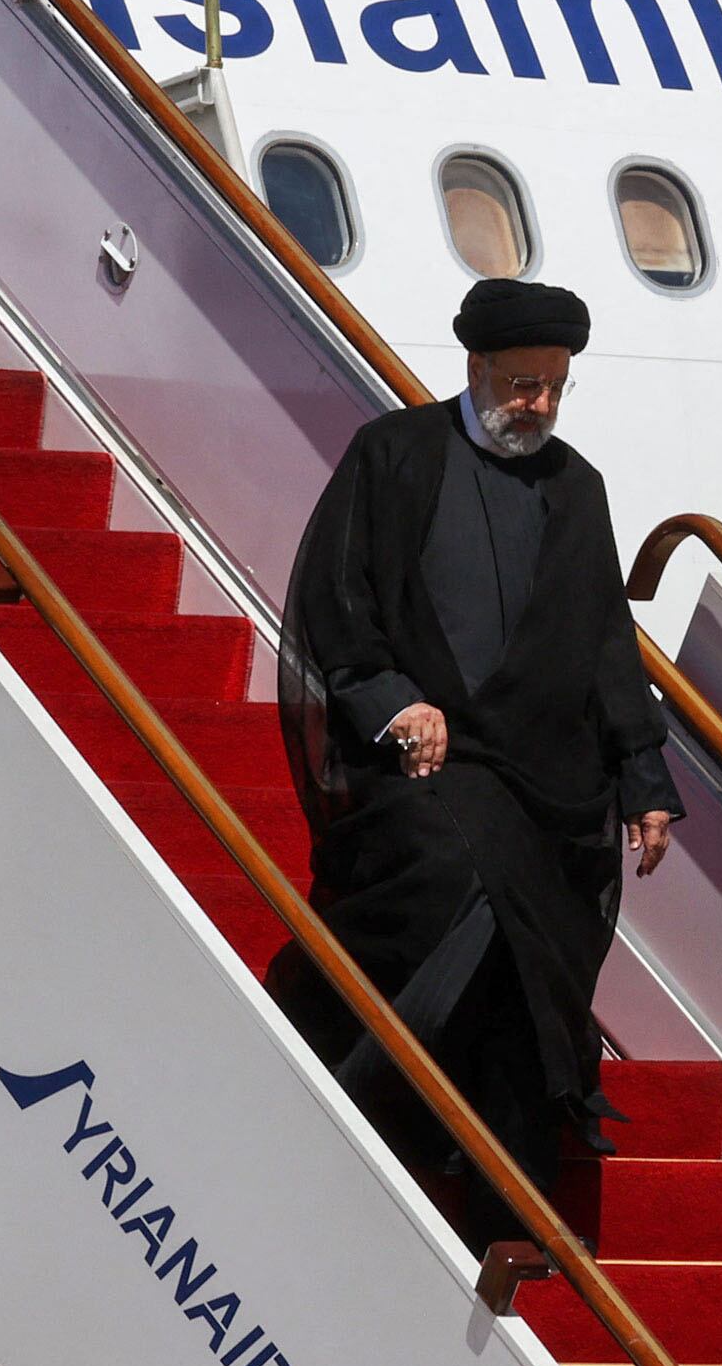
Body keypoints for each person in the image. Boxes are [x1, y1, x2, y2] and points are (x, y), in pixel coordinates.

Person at [265, 280, 681, 1245]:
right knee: (453, 871)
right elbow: (339, 605)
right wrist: (395, 701)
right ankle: (349, 1094)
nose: (535, 404)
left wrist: (644, 780)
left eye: (553, 388)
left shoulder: (577, 489)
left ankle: (509, 1209)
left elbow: (607, 645)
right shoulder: (394, 455)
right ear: (476, 368)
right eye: (522, 383)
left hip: (548, 784)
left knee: (525, 923)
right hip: (416, 768)